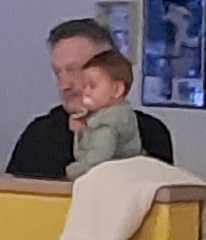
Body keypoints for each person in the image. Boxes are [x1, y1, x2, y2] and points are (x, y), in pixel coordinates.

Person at [5, 18, 173, 181]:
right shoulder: (38, 136)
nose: (64, 85)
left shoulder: (150, 133)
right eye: (58, 73)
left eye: (74, 71)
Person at [62, 48, 144, 177]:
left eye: (92, 86)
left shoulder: (108, 122)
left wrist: (73, 170)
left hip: (112, 178)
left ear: (117, 90)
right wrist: (80, 130)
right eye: (84, 86)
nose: (86, 92)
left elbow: (98, 159)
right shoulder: (115, 115)